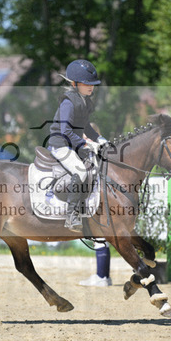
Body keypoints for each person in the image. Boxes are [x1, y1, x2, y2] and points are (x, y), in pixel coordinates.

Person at [47, 59, 109, 232]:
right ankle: (71, 215)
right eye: (86, 83)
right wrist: (86, 144)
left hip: (73, 145)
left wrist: (101, 140)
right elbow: (65, 131)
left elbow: (86, 127)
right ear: (74, 84)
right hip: (61, 145)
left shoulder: (85, 101)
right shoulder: (68, 102)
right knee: (80, 171)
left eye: (92, 84)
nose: (91, 87)